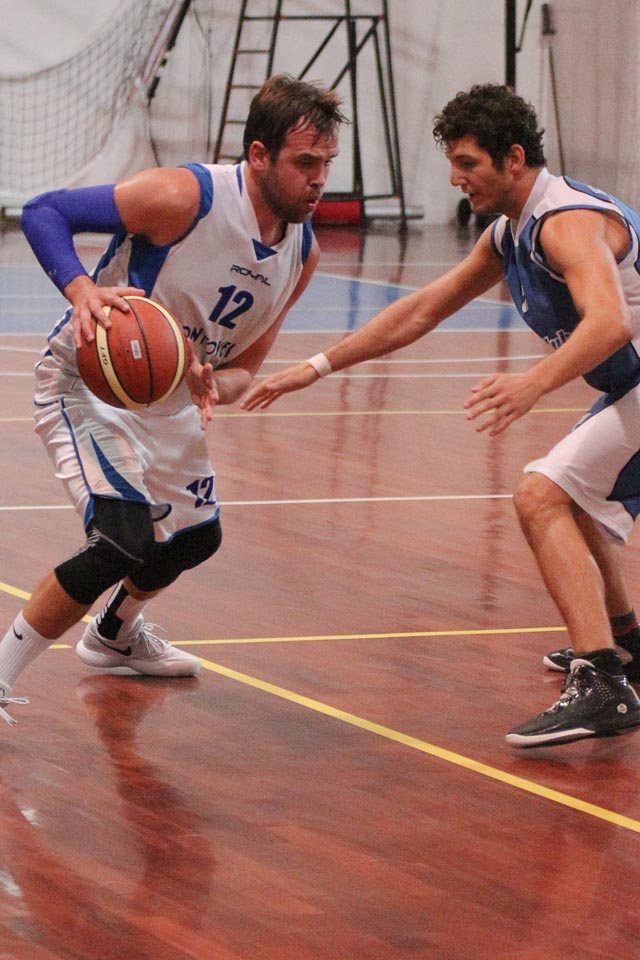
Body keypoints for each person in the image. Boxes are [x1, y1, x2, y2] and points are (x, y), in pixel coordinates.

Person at [242, 82, 640, 749]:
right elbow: (424, 308)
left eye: (467, 163)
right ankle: (624, 645)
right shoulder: (511, 233)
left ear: (515, 158)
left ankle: (602, 681)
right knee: (572, 498)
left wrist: (532, 384)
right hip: (631, 387)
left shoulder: (563, 222)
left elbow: (609, 323)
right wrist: (317, 366)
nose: (456, 178)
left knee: (540, 494)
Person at [0, 73, 346, 724]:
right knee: (121, 539)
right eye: (305, 163)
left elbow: (244, 370)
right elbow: (45, 211)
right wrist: (81, 290)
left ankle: (113, 635)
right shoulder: (186, 196)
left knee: (194, 538)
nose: (319, 179)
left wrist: (214, 382)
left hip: (165, 402)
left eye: (326, 163)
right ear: (260, 155)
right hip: (88, 382)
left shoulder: (303, 254)